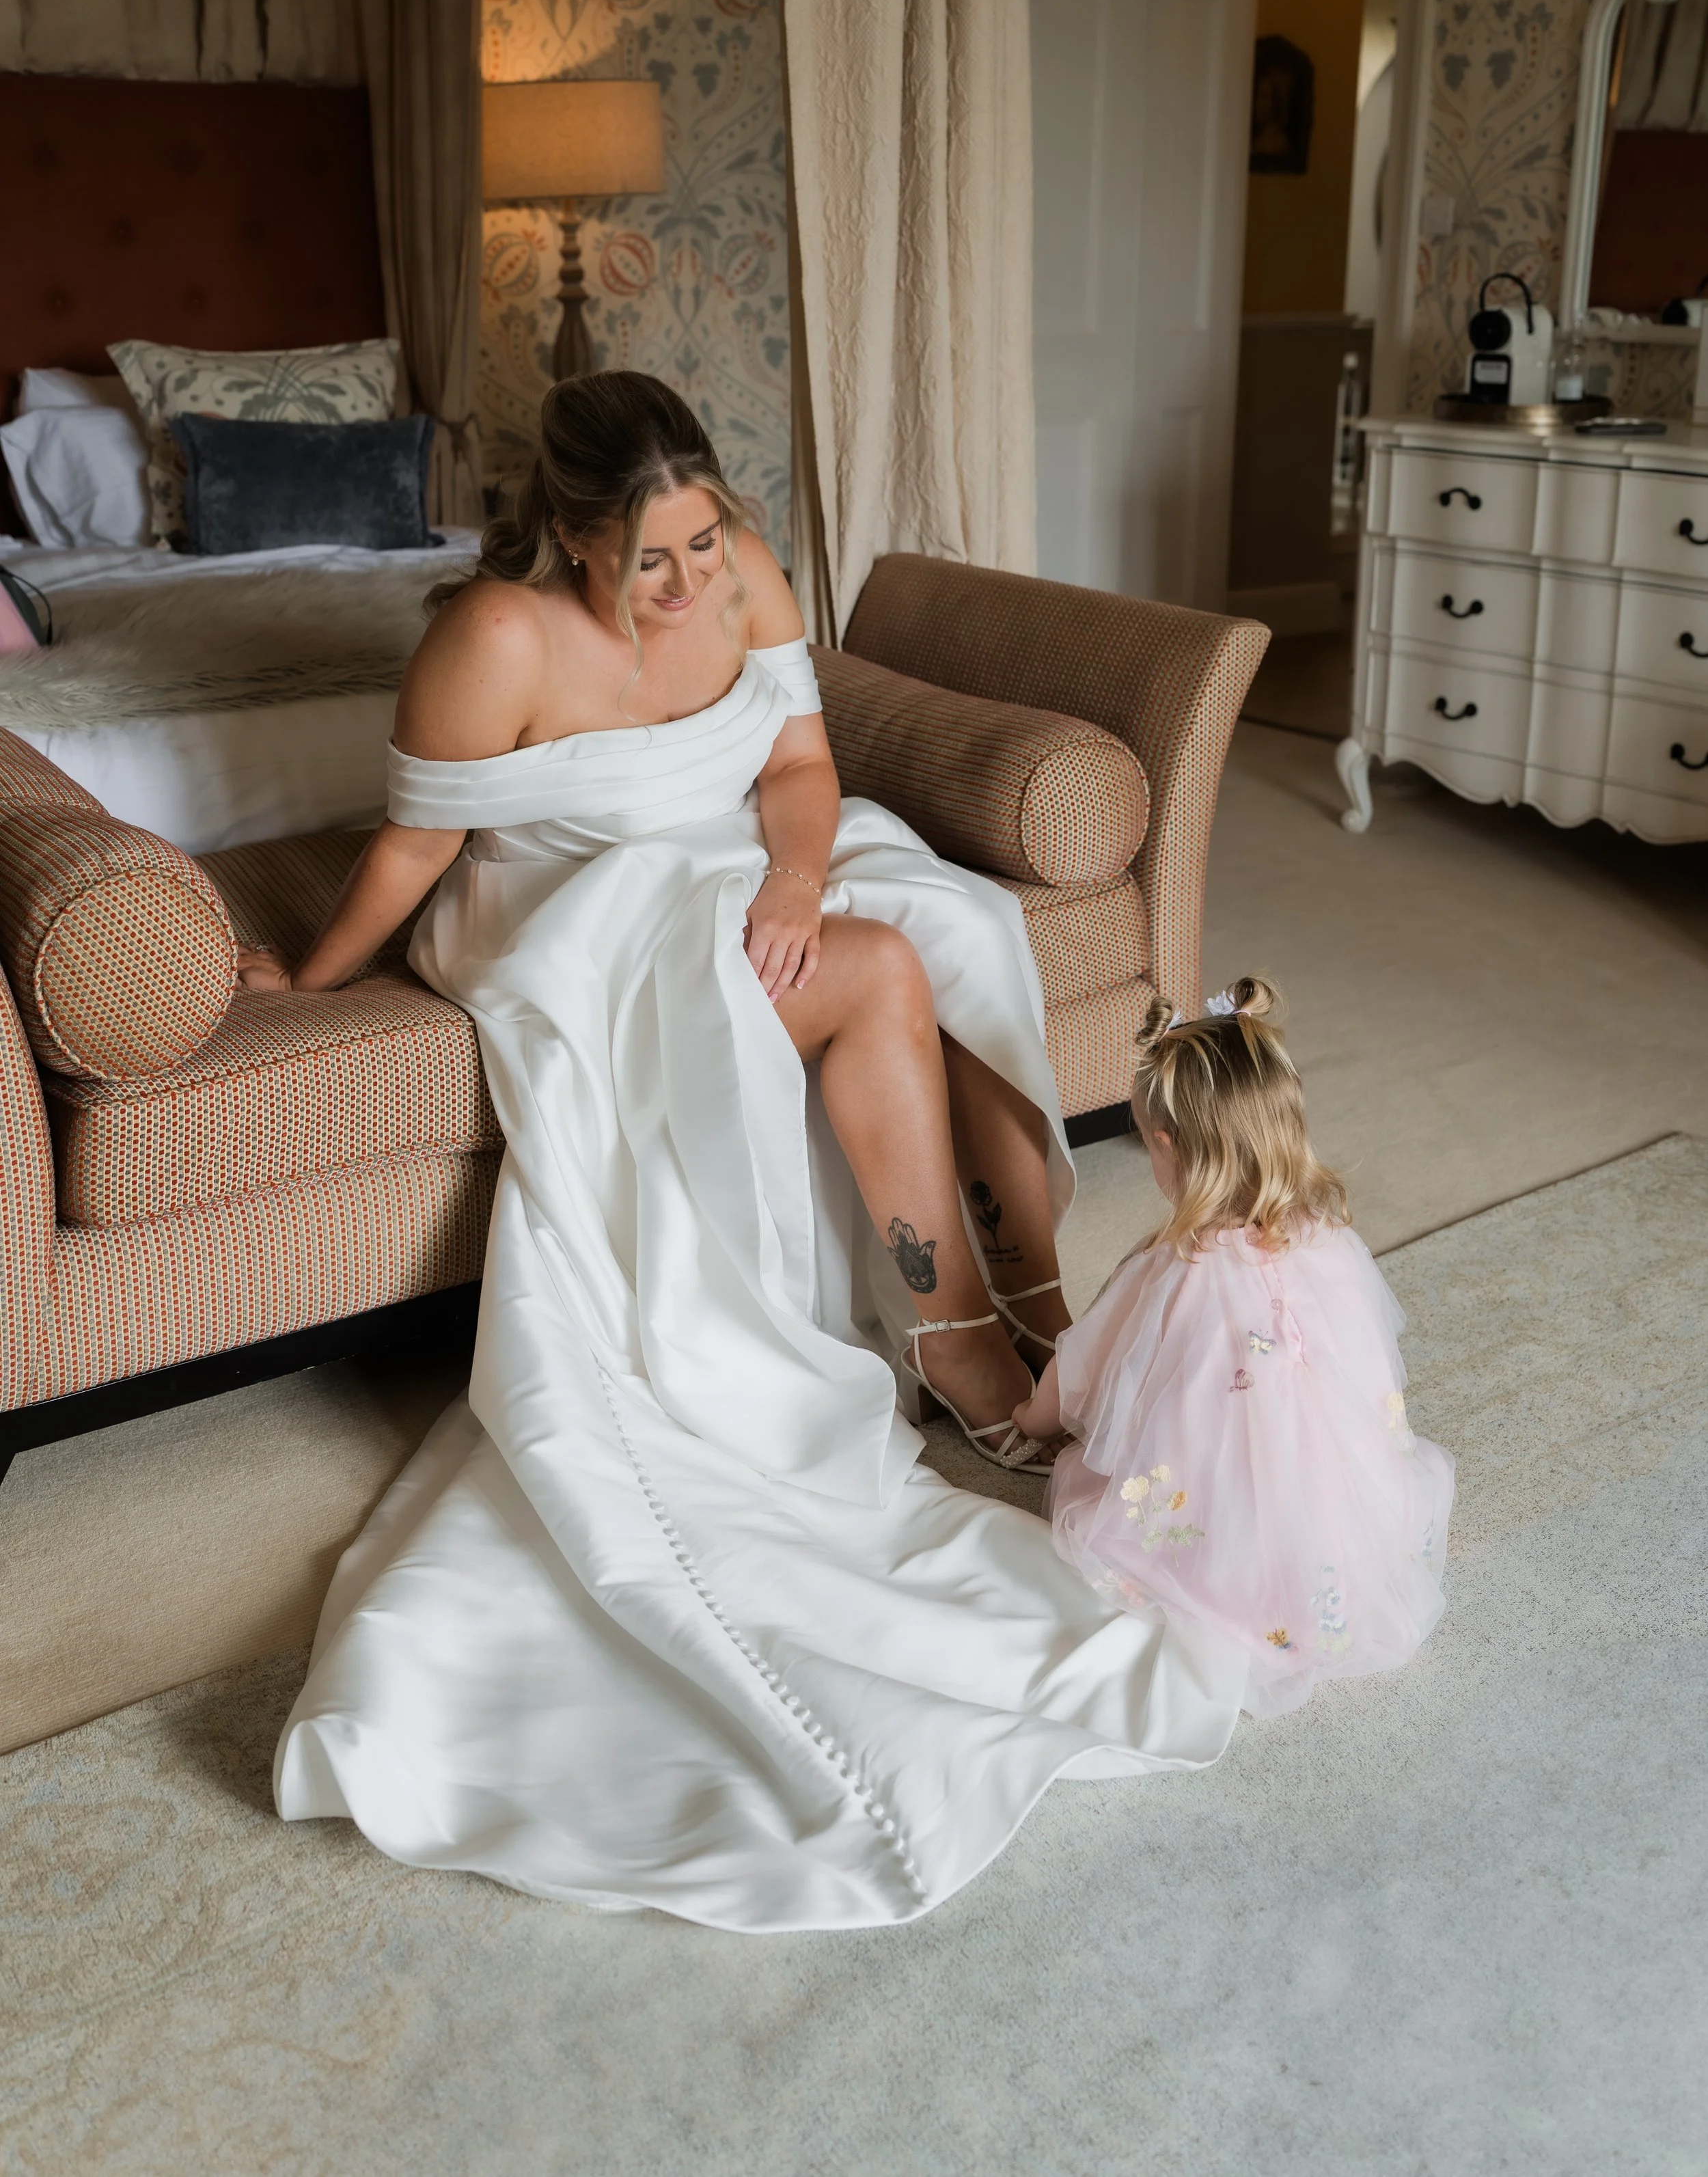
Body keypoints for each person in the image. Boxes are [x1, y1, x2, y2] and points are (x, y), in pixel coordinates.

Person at [249, 372, 1245, 1930]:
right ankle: (964, 1355)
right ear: (572, 541)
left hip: (733, 854)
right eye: (652, 559)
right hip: (567, 903)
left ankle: (1040, 1315)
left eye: (705, 538)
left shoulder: (748, 570)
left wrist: (791, 881)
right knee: (886, 971)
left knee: (956, 922)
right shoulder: (491, 641)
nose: (693, 580)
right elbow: (418, 847)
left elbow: (795, 772)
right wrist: (305, 983)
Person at [1014, 980, 1452, 1719]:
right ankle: (1321, 1575)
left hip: (1215, 1517)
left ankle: (1221, 1580)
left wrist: (1031, 1416)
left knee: (1117, 1506)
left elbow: (1086, 1360)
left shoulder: (1173, 1270)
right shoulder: (1334, 1245)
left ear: (1164, 1146)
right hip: (1341, 1516)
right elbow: (1371, 1371)